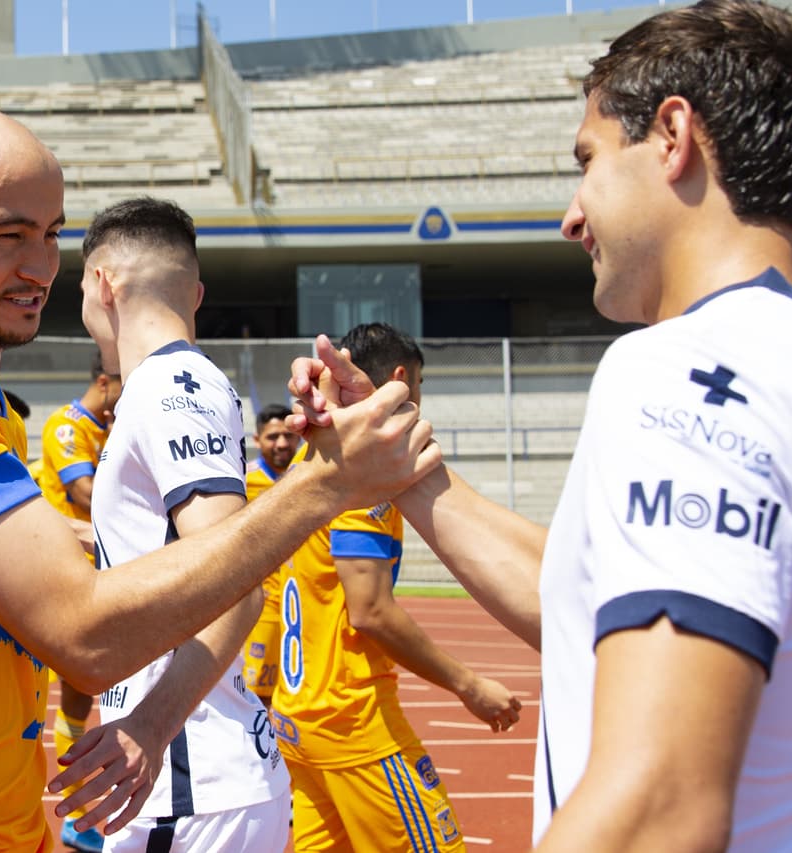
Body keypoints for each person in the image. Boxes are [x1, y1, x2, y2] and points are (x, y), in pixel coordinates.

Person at [288, 2, 792, 849]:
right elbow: (589, 601)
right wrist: (401, 461)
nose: (572, 214)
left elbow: (660, 799)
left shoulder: (693, 367)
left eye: (587, 160)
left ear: (672, 135)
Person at [0, 107, 437, 852]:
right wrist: (322, 484)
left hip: (0, 820)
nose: (40, 267)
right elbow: (83, 630)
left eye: (52, 233)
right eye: (8, 234)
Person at [47, 196, 290, 851]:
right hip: (192, 779)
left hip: (191, 781)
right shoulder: (172, 384)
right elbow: (166, 548)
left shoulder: (170, 386)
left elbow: (236, 578)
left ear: (102, 282)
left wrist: (151, 726)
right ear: (197, 293)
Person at [275, 322, 521, 852]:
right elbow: (370, 611)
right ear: (404, 379)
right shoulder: (363, 479)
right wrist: (469, 685)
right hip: (354, 720)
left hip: (301, 718)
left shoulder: (312, 458)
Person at [36, 351, 122, 853]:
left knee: (91, 695)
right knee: (79, 695)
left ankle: (85, 814)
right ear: (105, 381)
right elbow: (85, 493)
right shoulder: (67, 427)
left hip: (93, 571)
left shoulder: (102, 429)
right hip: (65, 575)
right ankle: (80, 816)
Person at [241, 403, 300, 707]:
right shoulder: (242, 481)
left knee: (299, 689)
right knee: (258, 694)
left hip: (301, 603)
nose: (281, 443)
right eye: (273, 436)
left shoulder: (308, 476)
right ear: (257, 440)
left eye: (289, 436)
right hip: (260, 603)